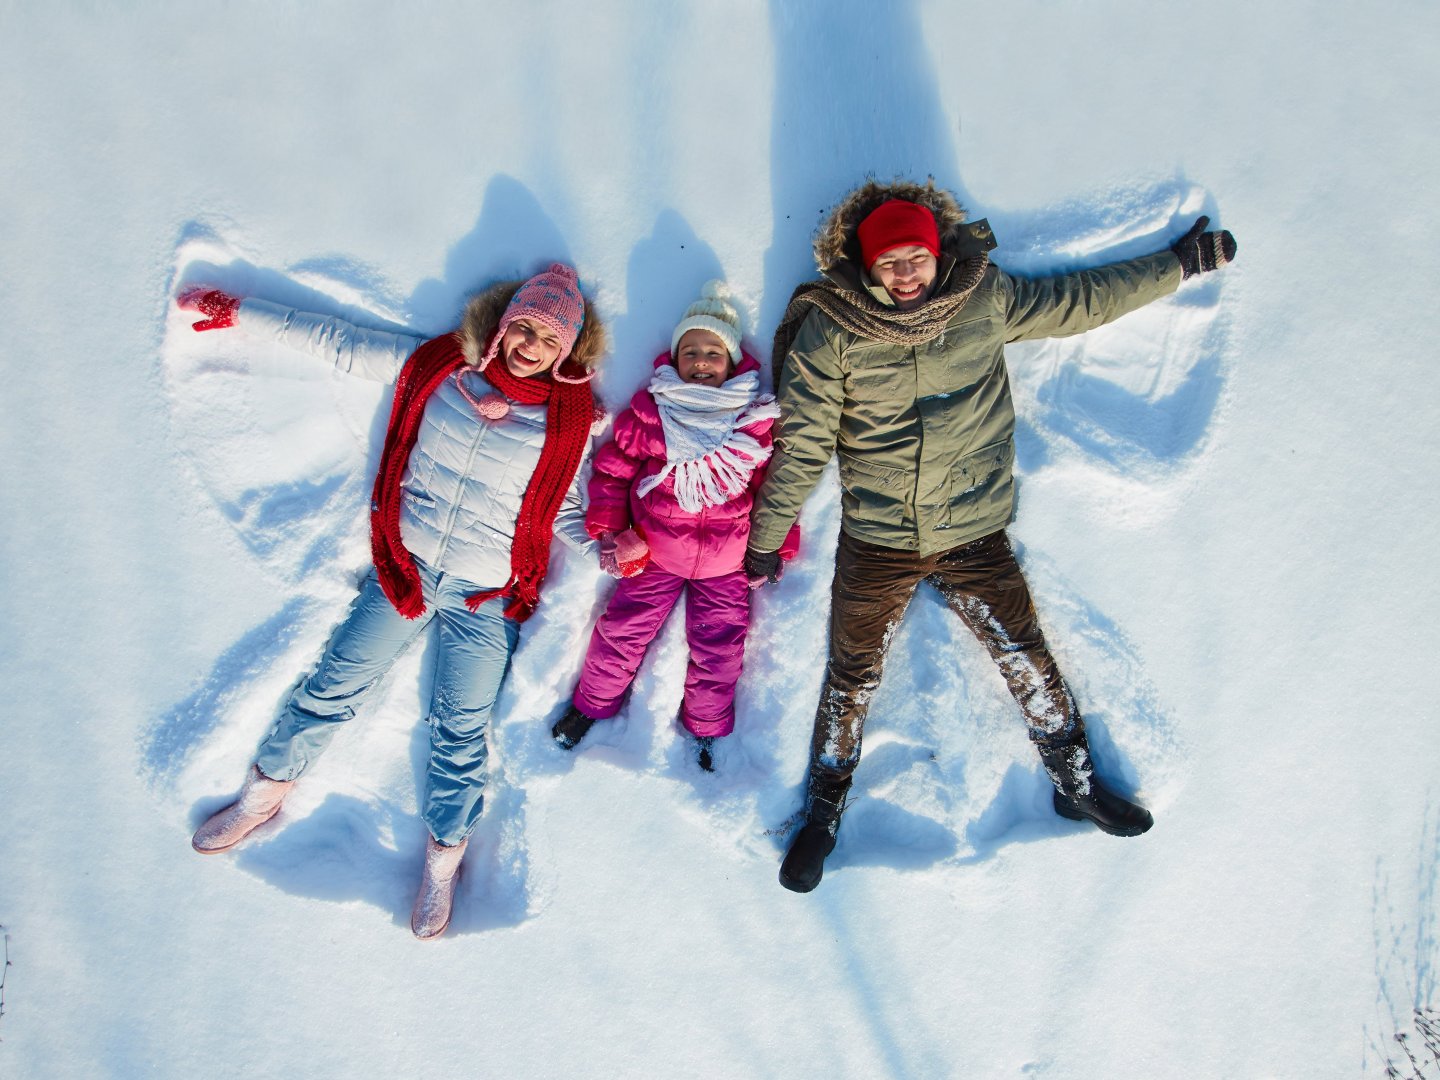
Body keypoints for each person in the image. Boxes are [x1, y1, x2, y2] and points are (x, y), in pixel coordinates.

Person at [746, 179, 1237, 892]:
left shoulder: (980, 297)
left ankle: (1075, 780)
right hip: (878, 538)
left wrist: (1180, 265)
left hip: (973, 527)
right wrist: (768, 536)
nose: (906, 273)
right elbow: (805, 441)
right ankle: (823, 814)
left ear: (937, 253)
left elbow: (1080, 301)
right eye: (890, 263)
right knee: (852, 672)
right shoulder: (833, 329)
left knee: (1024, 652)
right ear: (866, 266)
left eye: (915, 256)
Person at [180, 263, 606, 938]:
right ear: (501, 324)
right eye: (523, 327)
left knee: (460, 731)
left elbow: (568, 509)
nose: (530, 345)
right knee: (333, 685)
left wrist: (609, 549)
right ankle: (264, 794)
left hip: (482, 595)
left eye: (547, 339)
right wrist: (242, 312)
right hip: (404, 569)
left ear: (568, 350)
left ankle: (442, 862)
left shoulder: (568, 423)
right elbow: (340, 342)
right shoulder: (440, 367)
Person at [550, 282, 799, 771]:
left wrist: (779, 544)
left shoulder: (751, 419)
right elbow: (615, 469)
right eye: (691, 352)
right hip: (654, 552)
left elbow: (774, 486)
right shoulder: (652, 411)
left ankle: (707, 728)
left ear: (731, 361)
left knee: (719, 647)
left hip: (728, 562)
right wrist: (608, 525)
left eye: (712, 352)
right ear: (676, 358)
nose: (701, 361)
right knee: (621, 632)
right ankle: (590, 705)